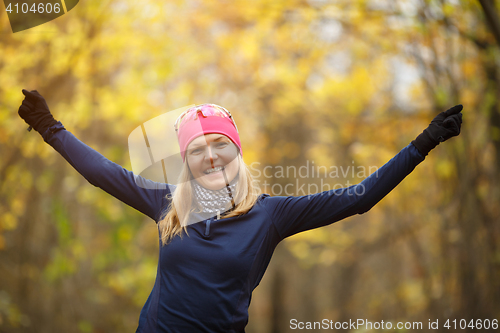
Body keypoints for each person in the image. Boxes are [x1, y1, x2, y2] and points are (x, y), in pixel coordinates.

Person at [17, 89, 463, 333]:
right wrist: (49, 128)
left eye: (220, 145)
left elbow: (359, 197)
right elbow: (103, 172)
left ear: (237, 152)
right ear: (186, 161)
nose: (210, 157)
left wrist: (423, 143)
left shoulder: (271, 216)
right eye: (197, 150)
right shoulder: (168, 205)